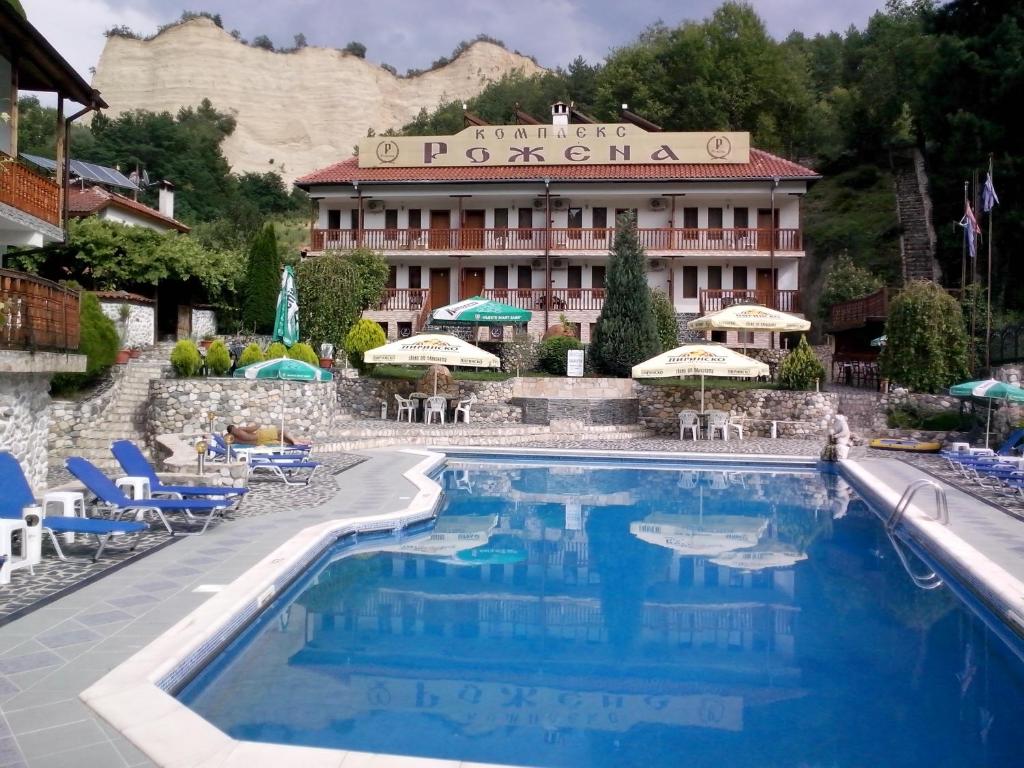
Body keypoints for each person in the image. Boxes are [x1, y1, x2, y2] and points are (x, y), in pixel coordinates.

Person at [226, 423, 309, 447]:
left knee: (281, 438)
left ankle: (301, 441)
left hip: (258, 442)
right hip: (261, 435)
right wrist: (257, 424)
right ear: (234, 427)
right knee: (282, 431)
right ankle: (295, 441)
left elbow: (226, 439)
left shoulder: (234, 438)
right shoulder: (240, 429)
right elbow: (254, 428)